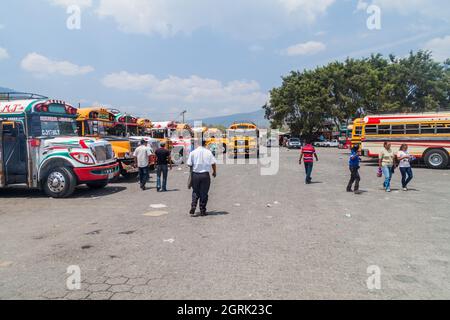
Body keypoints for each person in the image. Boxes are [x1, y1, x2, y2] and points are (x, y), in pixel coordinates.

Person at [187, 140, 217, 216]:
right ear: (205, 144)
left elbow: (189, 164)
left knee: (195, 191)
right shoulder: (208, 152)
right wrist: (214, 172)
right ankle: (202, 210)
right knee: (204, 193)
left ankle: (193, 206)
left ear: (197, 144)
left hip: (195, 175)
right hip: (205, 175)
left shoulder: (193, 152)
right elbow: (213, 163)